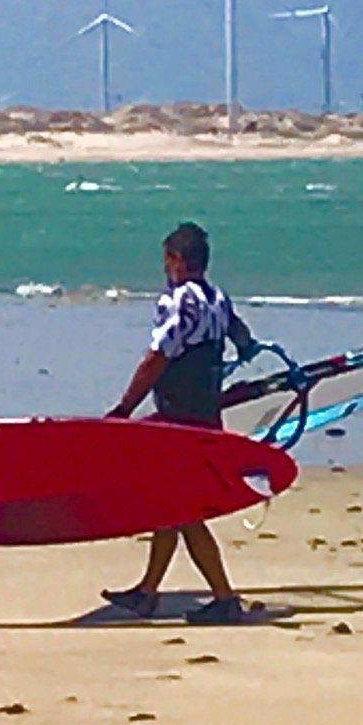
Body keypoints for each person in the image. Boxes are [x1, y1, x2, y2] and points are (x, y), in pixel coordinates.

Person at [102, 221, 254, 624]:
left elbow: (157, 357)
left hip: (179, 423)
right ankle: (147, 593)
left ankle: (225, 599)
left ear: (176, 260)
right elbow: (241, 333)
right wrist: (245, 348)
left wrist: (124, 408)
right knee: (168, 506)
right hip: (206, 419)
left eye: (166, 259)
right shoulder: (218, 298)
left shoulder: (177, 302)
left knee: (183, 510)